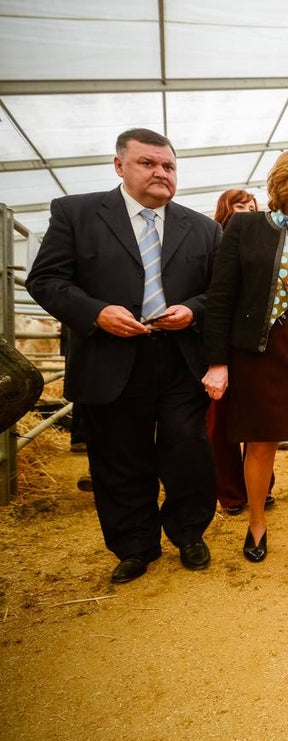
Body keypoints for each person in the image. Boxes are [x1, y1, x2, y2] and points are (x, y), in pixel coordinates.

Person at [26, 127, 220, 584]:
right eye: (147, 163)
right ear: (119, 166)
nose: (160, 172)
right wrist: (96, 313)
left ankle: (188, 532)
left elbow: (219, 292)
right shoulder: (76, 214)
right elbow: (46, 280)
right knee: (118, 454)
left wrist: (192, 311)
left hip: (179, 358)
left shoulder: (203, 228)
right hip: (109, 355)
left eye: (168, 165)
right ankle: (134, 545)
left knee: (187, 448)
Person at [202, 150, 288, 595]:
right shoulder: (247, 229)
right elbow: (221, 297)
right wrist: (218, 362)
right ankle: (257, 523)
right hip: (257, 356)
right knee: (260, 446)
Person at [204, 189, 276, 515]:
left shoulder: (265, 244)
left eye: (252, 206)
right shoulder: (213, 242)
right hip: (223, 344)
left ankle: (260, 487)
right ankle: (230, 491)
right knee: (221, 425)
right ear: (226, 209)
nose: (248, 210)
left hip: (257, 346)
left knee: (260, 421)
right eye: (240, 205)